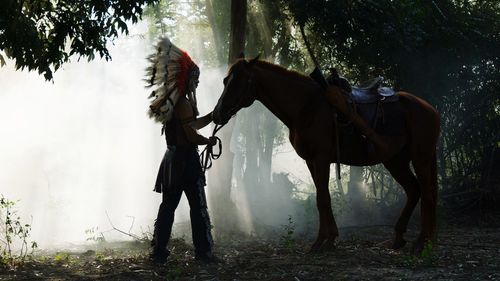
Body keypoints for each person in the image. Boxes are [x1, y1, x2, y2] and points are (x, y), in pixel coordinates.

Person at [146, 38, 218, 264]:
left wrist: (211, 117)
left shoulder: (176, 103)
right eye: (194, 81)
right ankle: (204, 253)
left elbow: (190, 126)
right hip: (186, 162)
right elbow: (191, 135)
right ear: (186, 79)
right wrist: (208, 141)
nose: (196, 85)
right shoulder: (184, 104)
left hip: (172, 161)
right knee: (198, 208)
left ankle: (159, 251)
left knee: (168, 207)